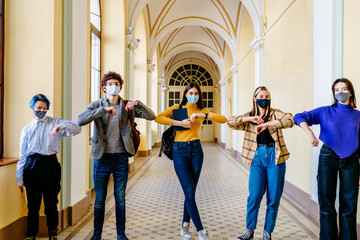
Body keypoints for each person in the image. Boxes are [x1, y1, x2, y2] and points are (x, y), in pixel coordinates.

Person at [77, 71, 155, 240]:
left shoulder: (127, 105)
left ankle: (121, 235)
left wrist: (138, 104)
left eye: (117, 84)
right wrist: (102, 110)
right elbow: (80, 120)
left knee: (120, 199)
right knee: (99, 201)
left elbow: (151, 116)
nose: (114, 86)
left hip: (121, 158)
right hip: (101, 158)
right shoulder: (97, 104)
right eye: (111, 84)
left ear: (120, 87)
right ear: (104, 87)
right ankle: (97, 235)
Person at [155, 82, 227, 240]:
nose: (193, 96)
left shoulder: (201, 110)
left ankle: (184, 227)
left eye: (196, 93)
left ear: (199, 95)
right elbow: (158, 118)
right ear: (185, 94)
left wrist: (204, 115)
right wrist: (179, 123)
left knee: (191, 192)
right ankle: (201, 230)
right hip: (179, 151)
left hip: (196, 151)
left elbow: (223, 119)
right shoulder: (177, 108)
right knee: (189, 192)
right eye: (190, 93)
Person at [294, 78, 360, 240]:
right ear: (333, 93)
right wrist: (310, 133)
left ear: (350, 91)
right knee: (326, 203)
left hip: (352, 161)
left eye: (344, 89)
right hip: (328, 158)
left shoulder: (358, 116)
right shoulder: (325, 111)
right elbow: (299, 117)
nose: (340, 93)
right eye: (337, 90)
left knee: (349, 206)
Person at [227, 86, 294, 240]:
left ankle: (267, 232)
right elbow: (230, 122)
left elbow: (290, 120)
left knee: (273, 198)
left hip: (275, 157)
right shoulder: (249, 117)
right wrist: (249, 119)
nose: (264, 98)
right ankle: (249, 231)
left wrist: (269, 124)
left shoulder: (275, 113)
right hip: (257, 158)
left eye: (267, 96)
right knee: (254, 196)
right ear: (254, 98)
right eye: (261, 96)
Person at [16, 94, 81, 240]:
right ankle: (31, 235)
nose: (42, 111)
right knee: (32, 205)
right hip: (31, 166)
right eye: (39, 108)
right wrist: (19, 178)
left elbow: (77, 129)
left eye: (45, 108)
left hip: (51, 165)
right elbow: (23, 155)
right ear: (32, 107)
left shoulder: (55, 122)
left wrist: (60, 126)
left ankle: (53, 233)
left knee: (51, 202)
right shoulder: (26, 129)